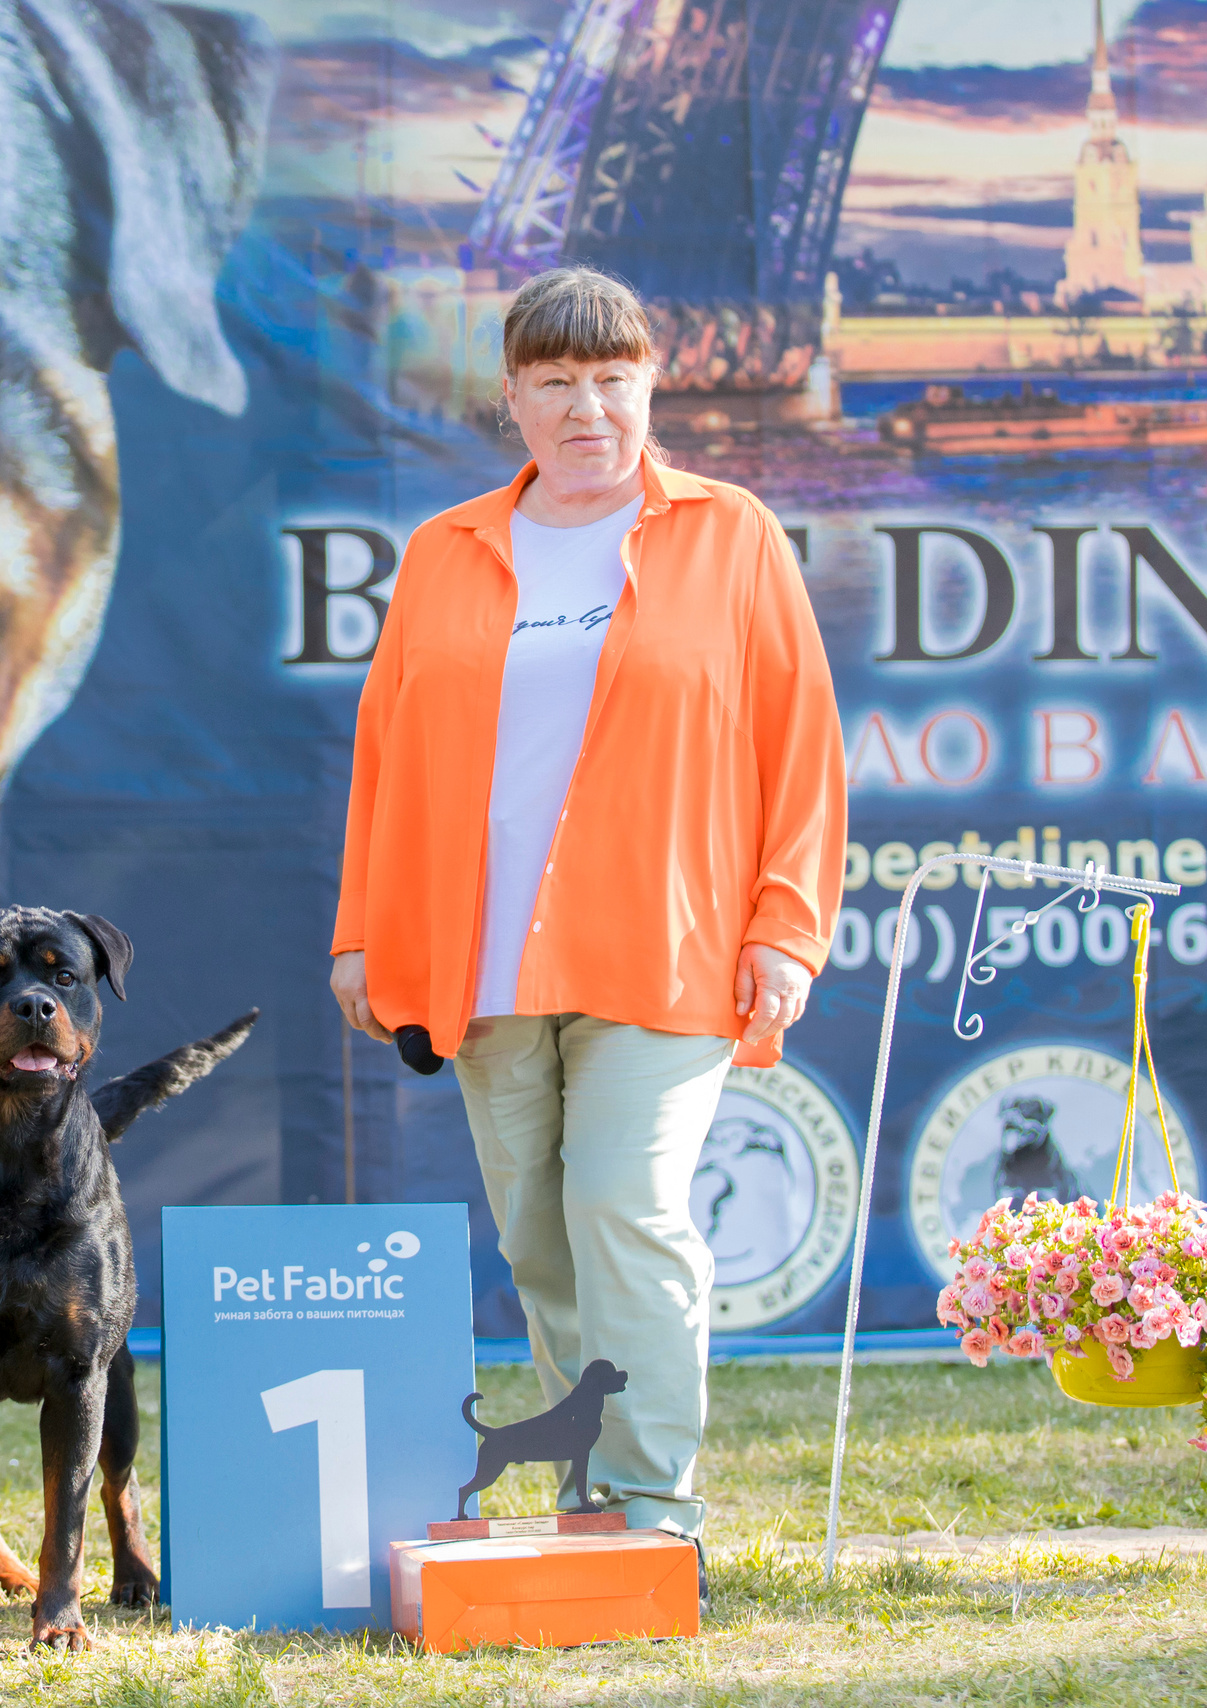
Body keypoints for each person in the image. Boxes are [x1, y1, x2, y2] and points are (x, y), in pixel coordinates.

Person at [328, 266, 845, 1570]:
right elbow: (382, 751)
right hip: (478, 959)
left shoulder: (731, 536)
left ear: (651, 383)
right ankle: (595, 1499)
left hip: (665, 949)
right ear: (511, 397)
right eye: (555, 382)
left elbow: (802, 751)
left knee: (627, 1206)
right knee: (541, 1237)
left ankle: (654, 1511)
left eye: (611, 379)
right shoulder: (447, 551)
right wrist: (362, 932)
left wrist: (786, 928)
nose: (586, 407)